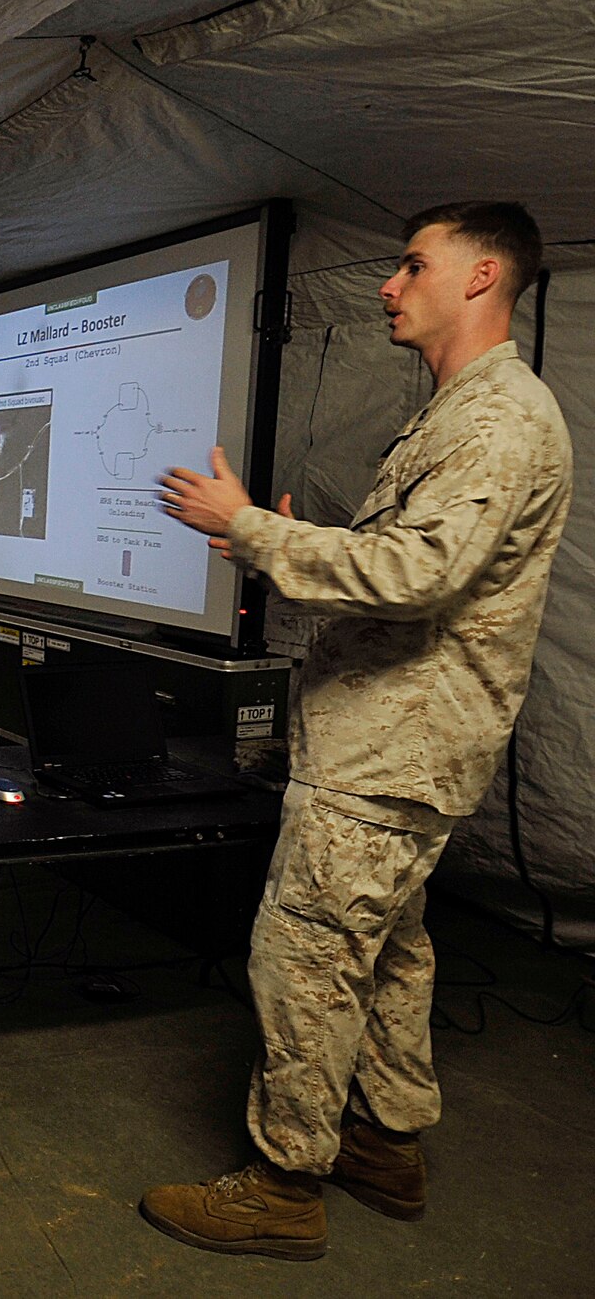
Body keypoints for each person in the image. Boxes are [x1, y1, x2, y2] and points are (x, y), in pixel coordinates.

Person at [144, 202, 571, 1261]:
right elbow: (419, 566)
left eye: (410, 264)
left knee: (303, 953)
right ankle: (383, 1142)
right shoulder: (461, 411)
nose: (388, 283)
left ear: (480, 277)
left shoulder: (498, 418)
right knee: (383, 953)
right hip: (391, 743)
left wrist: (249, 528)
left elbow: (418, 575)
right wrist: (298, 540)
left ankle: (285, 1180)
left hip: (390, 751)